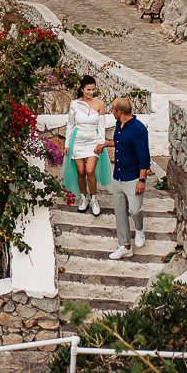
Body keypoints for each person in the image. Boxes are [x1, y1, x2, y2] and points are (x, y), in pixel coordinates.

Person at [94, 97, 150, 260]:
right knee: (120, 213)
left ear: (119, 112)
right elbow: (120, 142)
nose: (112, 112)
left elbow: (144, 156)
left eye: (113, 110)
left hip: (133, 178)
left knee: (135, 210)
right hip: (118, 176)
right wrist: (105, 144)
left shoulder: (138, 129)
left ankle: (139, 228)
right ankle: (125, 246)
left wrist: (142, 180)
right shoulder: (120, 124)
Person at [62, 75, 111, 216]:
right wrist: (66, 144)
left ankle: (94, 198)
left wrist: (101, 144)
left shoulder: (100, 104)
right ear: (82, 89)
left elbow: (102, 126)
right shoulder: (74, 104)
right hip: (77, 141)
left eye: (93, 89)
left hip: (93, 140)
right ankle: (84, 197)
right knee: (81, 172)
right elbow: (70, 124)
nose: (91, 92)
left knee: (90, 170)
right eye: (88, 89)